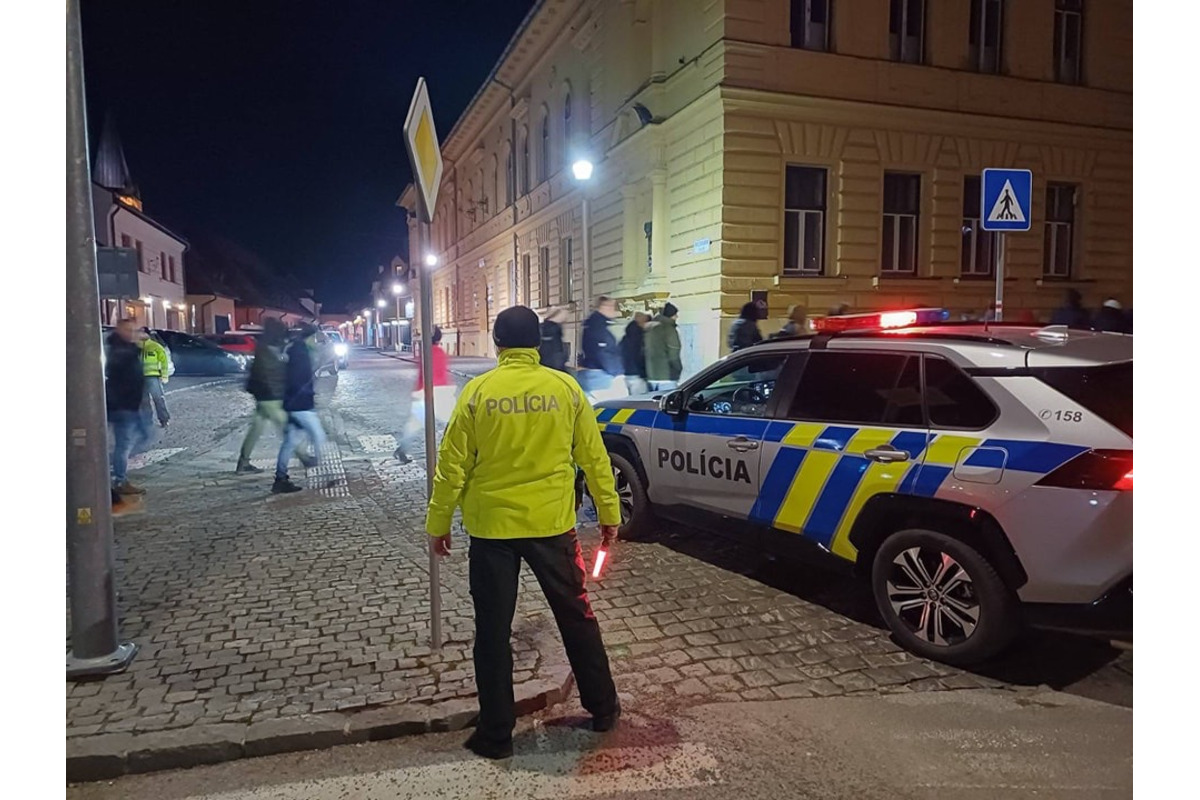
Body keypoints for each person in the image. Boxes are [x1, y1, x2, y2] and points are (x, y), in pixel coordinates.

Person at [426, 305, 623, 760]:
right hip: (553, 526)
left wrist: (438, 523)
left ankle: (496, 735)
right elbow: (595, 458)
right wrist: (609, 513)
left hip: (492, 529)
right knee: (576, 616)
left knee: (492, 632)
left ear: (497, 344)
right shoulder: (565, 388)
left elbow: (452, 466)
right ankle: (603, 707)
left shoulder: (478, 393)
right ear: (538, 344)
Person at [237, 318, 312, 474]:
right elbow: (273, 374)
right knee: (287, 427)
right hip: (270, 397)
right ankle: (304, 456)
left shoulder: (265, 346)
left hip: (263, 396)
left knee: (256, 429)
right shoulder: (269, 350)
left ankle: (243, 463)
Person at [273, 324, 327, 494]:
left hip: (292, 404)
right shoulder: (301, 354)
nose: (317, 342)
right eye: (316, 338)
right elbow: (299, 381)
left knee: (290, 442)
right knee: (319, 437)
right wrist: (308, 395)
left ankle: (280, 479)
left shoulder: (296, 350)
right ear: (309, 338)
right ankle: (326, 476)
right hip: (301, 405)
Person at [397, 326, 456, 463]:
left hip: (423, 391)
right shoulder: (439, 352)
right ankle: (455, 450)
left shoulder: (424, 353)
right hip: (440, 392)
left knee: (414, 424)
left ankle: (402, 448)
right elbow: (441, 374)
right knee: (454, 422)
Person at [106, 318, 151, 497]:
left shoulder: (128, 349)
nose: (133, 333)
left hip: (131, 405)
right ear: (120, 330)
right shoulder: (120, 350)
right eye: (129, 330)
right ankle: (119, 479)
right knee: (124, 445)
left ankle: (118, 473)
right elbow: (119, 375)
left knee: (143, 436)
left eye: (134, 330)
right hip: (122, 406)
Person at [578, 296, 622, 394]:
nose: (614, 310)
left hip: (591, 372)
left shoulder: (592, 323)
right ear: (604, 307)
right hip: (599, 376)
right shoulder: (598, 325)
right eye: (612, 307)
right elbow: (603, 352)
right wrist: (616, 372)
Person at [644, 302, 682, 391]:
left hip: (651, 375)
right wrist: (677, 369)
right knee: (667, 402)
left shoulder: (650, 328)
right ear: (671, 315)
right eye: (675, 314)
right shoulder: (669, 329)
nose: (677, 317)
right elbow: (674, 351)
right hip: (667, 375)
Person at [140, 328, 171, 428]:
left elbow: (164, 362)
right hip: (140, 377)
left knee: (158, 398)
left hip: (153, 377)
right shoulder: (136, 347)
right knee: (144, 401)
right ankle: (147, 421)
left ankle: (164, 419)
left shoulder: (155, 346)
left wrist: (164, 375)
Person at [619, 312, 650, 395]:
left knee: (633, 401)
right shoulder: (640, 338)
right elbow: (640, 357)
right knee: (641, 401)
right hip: (638, 375)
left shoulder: (625, 338)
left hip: (627, 374)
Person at [538, 307, 569, 372]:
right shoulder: (554, 329)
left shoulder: (542, 327)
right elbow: (556, 352)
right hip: (554, 367)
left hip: (543, 367)